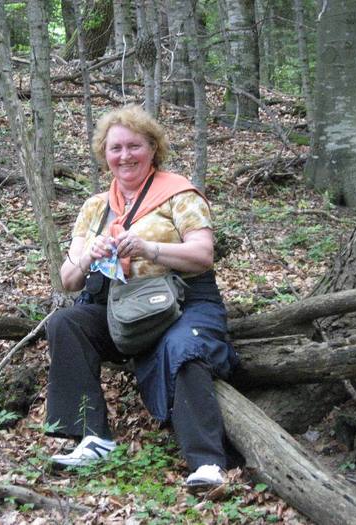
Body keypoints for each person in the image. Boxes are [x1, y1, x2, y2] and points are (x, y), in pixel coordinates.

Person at [45, 104, 239, 492]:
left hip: (184, 304)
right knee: (64, 323)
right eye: (115, 148)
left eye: (134, 146)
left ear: (152, 148)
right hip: (122, 309)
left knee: (184, 346)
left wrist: (150, 249)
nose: (125, 156)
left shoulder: (179, 193)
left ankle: (207, 463)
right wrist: (89, 254)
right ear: (104, 154)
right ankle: (92, 438)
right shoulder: (95, 207)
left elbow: (203, 254)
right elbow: (68, 280)